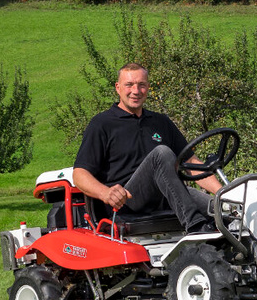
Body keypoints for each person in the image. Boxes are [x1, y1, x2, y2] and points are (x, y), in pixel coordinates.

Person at [72, 63, 221, 234]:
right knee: (161, 154)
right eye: (129, 85)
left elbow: (191, 163)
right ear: (118, 87)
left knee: (221, 209)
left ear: (148, 87)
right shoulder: (102, 124)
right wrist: (105, 193)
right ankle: (195, 227)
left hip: (165, 196)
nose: (136, 91)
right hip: (127, 202)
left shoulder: (160, 122)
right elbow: (79, 174)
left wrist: (225, 193)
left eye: (141, 85)